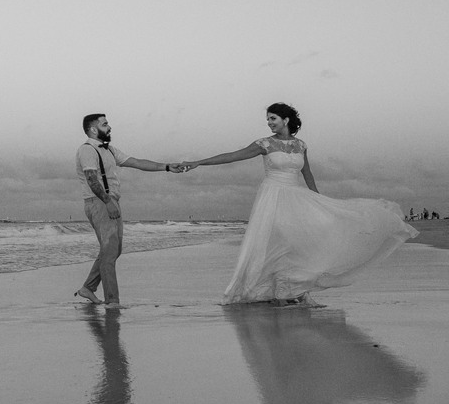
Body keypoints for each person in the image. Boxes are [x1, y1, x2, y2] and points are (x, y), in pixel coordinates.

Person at [183, 103, 417, 305]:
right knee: (279, 243)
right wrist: (198, 163)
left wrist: (318, 200)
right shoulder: (264, 144)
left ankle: (299, 292)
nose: (269, 123)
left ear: (286, 119)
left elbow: (308, 173)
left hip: (297, 196)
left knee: (302, 244)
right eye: (267, 119)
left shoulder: (301, 145)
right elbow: (233, 155)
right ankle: (279, 293)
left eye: (273, 119)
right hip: (273, 196)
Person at [75, 113, 184, 306]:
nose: (109, 127)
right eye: (105, 124)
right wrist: (107, 202)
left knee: (114, 250)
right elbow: (92, 179)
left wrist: (167, 167)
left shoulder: (109, 150)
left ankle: (88, 288)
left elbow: (136, 162)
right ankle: (112, 301)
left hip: (110, 200)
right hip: (99, 201)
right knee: (109, 253)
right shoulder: (87, 150)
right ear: (93, 129)